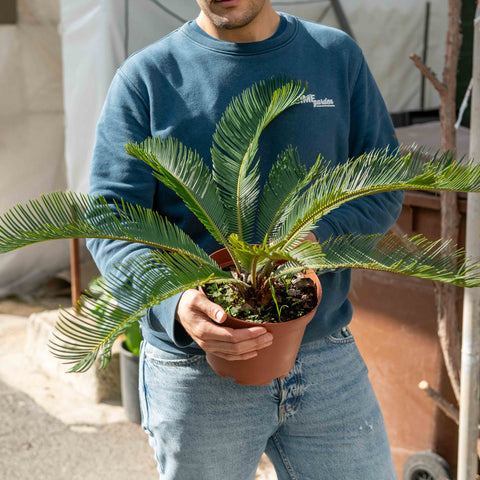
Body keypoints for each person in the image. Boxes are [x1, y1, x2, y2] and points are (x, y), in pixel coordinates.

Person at [87, 1, 404, 478]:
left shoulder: (335, 58)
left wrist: (313, 242)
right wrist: (174, 301)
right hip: (196, 370)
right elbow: (111, 219)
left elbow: (384, 183)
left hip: (323, 355)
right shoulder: (147, 79)